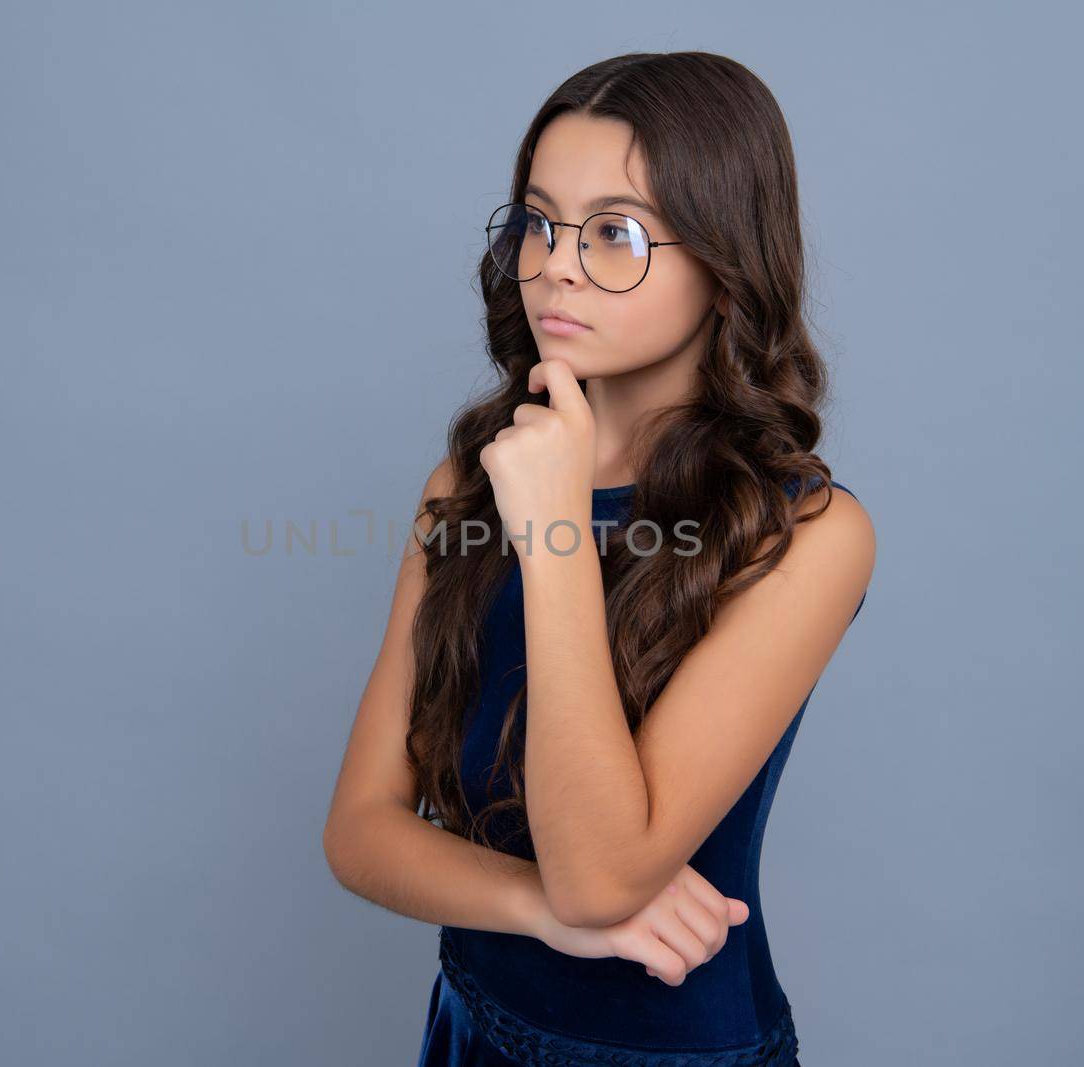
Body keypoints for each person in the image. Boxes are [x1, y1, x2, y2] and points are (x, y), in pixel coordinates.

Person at [323, 50, 875, 1067]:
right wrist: (539, 911)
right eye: (537, 221)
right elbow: (359, 828)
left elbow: (602, 873)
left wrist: (555, 536)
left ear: (723, 264)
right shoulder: (468, 478)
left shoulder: (804, 534)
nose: (556, 265)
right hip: (471, 1021)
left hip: (665, 1050)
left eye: (614, 232)